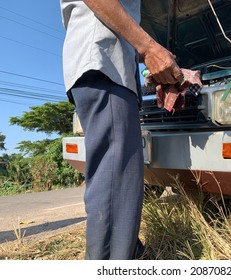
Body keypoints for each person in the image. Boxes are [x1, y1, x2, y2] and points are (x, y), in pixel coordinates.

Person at [60, 0, 183, 260]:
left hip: (105, 69)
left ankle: (130, 252)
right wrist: (149, 48)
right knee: (115, 178)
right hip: (104, 68)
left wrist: (148, 56)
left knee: (119, 178)